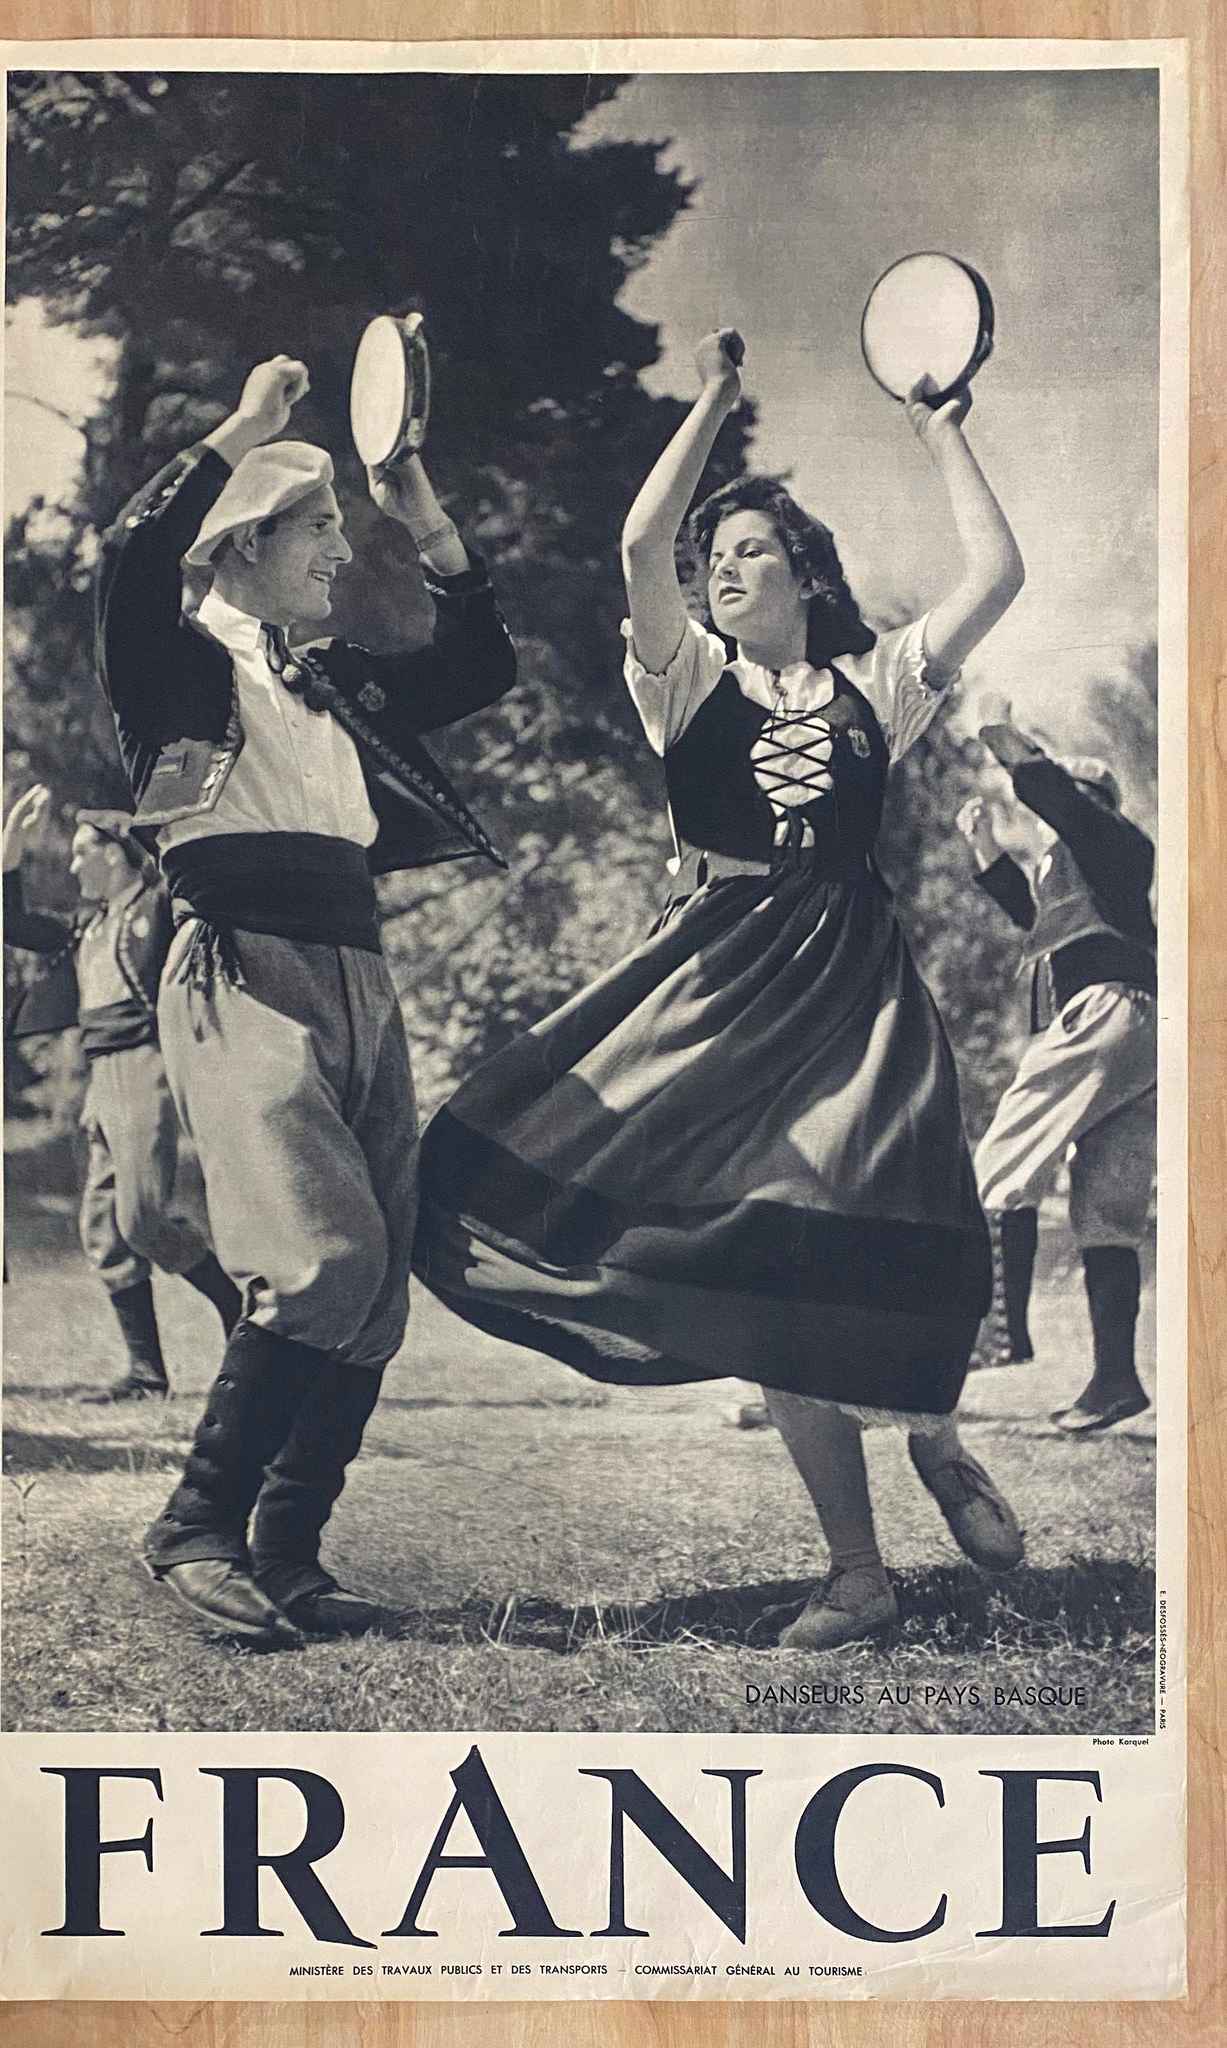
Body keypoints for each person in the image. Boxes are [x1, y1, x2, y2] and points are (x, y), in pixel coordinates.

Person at [417, 329, 1027, 1650]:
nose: (719, 570)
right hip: (720, 986)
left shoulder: (879, 685)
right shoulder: (684, 680)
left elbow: (997, 573)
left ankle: (932, 1435)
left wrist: (938, 431)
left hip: (855, 988)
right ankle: (861, 1572)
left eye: (748, 550)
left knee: (876, 1227)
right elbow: (643, 548)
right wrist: (711, 403)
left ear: (803, 571)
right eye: (715, 560)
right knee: (768, 1255)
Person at [96, 353, 516, 1647]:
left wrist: (416, 500)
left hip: (359, 974)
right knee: (319, 1258)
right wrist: (241, 429)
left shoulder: (330, 682)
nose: (343, 548)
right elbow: (126, 561)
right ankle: (193, 1526)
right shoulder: (173, 666)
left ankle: (286, 1556)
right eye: (321, 526)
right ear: (246, 544)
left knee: (374, 1281)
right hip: (240, 966)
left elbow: (481, 663)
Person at [2, 785, 241, 1398]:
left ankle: (239, 1313)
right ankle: (145, 1374)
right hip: (101, 1075)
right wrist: (12, 848)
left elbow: (193, 881)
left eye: (85, 852)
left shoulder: (158, 907)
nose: (74, 863)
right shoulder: (89, 924)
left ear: (116, 856)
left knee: (143, 1216)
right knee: (103, 1229)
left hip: (144, 1066)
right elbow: (13, 922)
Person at [958, 713, 1156, 1432]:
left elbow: (1065, 806)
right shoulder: (1081, 885)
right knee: (1106, 1214)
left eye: (1061, 803)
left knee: (998, 1172)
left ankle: (982, 1342)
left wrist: (1015, 753)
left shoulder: (1110, 841)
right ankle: (1113, 1382)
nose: (1044, 820)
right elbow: (1034, 918)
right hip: (1137, 1037)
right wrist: (984, 853)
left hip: (1104, 1016)